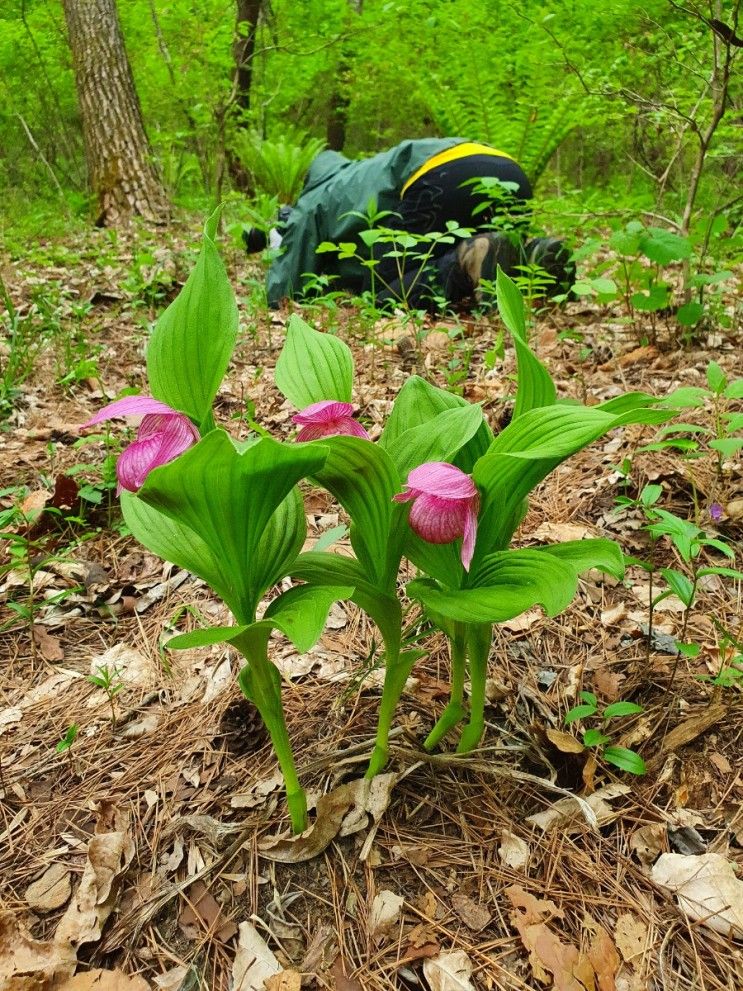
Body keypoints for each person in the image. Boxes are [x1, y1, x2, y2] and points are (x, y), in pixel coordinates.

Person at [244, 138, 574, 311]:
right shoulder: (359, 174)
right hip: (509, 169)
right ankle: (535, 257)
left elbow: (286, 281)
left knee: (385, 293)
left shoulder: (318, 195)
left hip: (441, 175)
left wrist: (276, 299)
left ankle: (471, 259)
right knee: (454, 248)